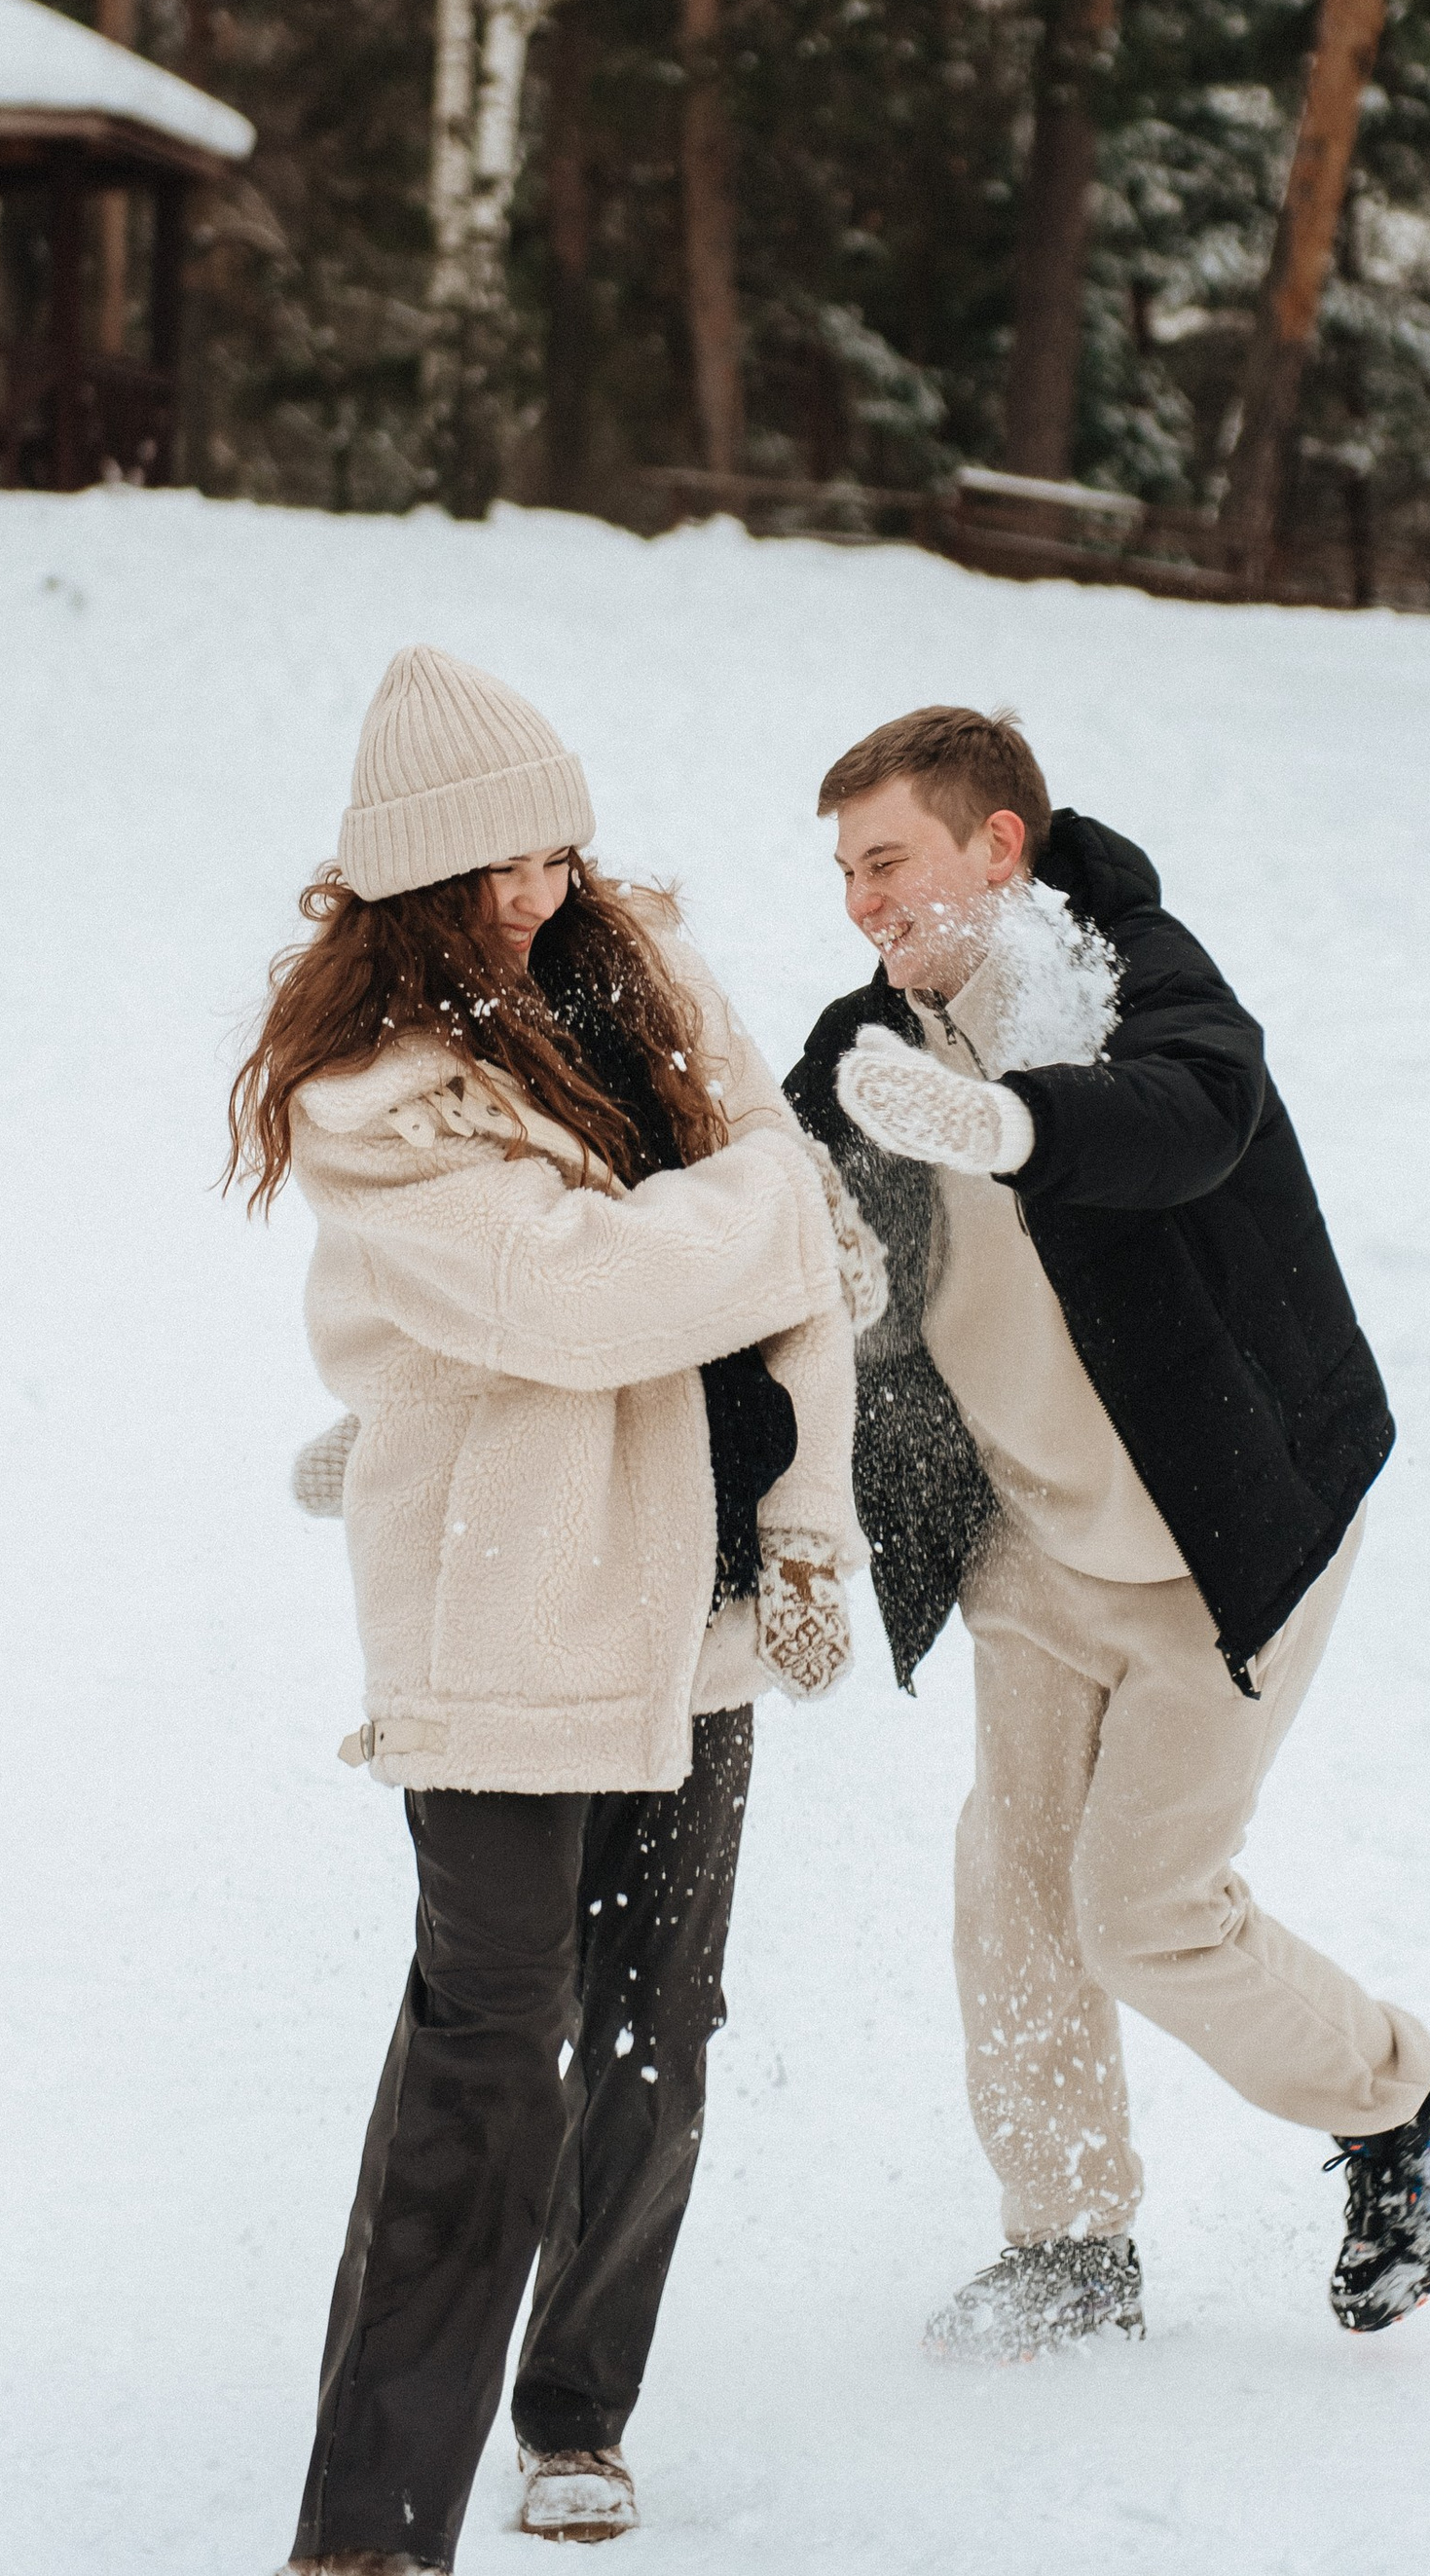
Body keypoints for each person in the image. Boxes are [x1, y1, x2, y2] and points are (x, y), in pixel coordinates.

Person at [233, 644, 878, 2571]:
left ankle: (578, 2406)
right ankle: (372, 2521)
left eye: (553, 846)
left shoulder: (632, 978)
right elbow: (584, 1291)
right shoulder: (369, 1093)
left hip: (694, 1575)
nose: (537, 887)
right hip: (509, 1597)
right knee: (490, 2031)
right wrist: (758, 1218)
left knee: (656, 2021)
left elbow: (798, 1247)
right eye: (495, 865)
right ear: (411, 884)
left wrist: (797, 1436)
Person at [784, 705, 1430, 2363]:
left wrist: (1019, 1128)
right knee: (1013, 1898)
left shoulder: (1128, 975)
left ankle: (1413, 2099)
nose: (862, 903)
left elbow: (1197, 1110)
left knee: (1145, 1912)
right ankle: (1068, 2247)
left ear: (997, 846)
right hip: (1034, 1553)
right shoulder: (863, 1048)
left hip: (1224, 1542)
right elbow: (748, 1228)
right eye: (843, 874)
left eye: (887, 861)